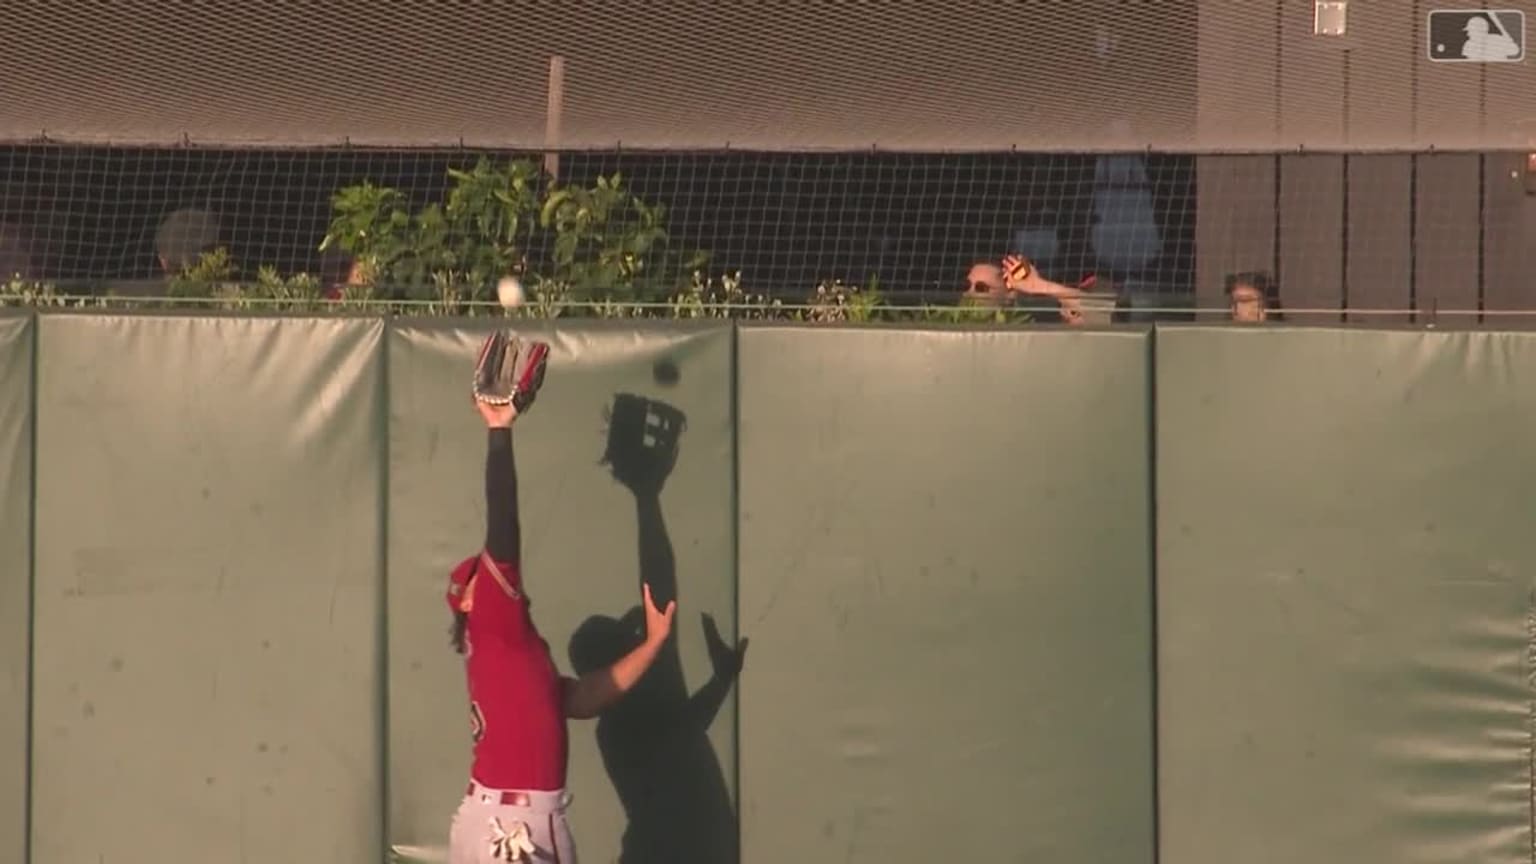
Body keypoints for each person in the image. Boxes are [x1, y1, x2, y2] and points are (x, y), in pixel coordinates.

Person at [446, 391, 677, 864]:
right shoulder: (492, 622)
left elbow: (588, 695)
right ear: (468, 600)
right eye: (482, 574)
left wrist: (654, 644)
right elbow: (503, 526)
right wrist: (499, 432)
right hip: (511, 828)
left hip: (511, 821)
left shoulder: (514, 653)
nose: (493, 572)